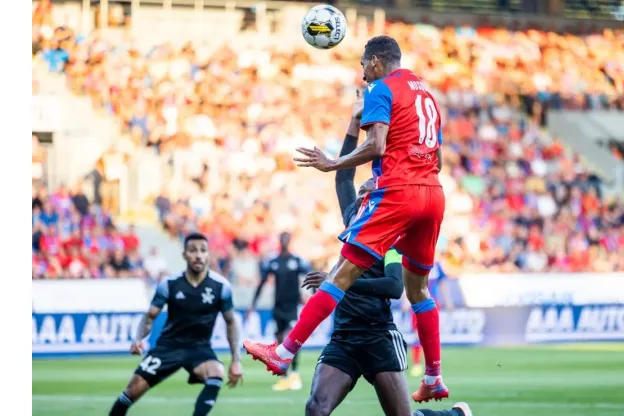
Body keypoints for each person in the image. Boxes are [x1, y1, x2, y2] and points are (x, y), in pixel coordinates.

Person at [243, 34, 449, 403]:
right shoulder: (426, 96)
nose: (362, 72)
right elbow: (438, 159)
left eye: (362, 64)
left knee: (339, 275)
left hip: (398, 193)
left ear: (374, 62)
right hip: (432, 193)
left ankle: (284, 352)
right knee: (420, 290)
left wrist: (333, 162)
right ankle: (433, 377)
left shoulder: (381, 89)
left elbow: (377, 146)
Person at [300, 101, 471, 416]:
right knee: (316, 408)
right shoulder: (354, 217)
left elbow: (394, 287)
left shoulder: (391, 234)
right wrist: (354, 124)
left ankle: (453, 415)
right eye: (364, 183)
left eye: (371, 182)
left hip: (378, 335)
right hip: (343, 337)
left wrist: (338, 283)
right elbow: (342, 179)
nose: (365, 184)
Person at [108, 233, 243, 415]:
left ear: (208, 255)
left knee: (216, 371)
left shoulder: (221, 287)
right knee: (132, 390)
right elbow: (149, 317)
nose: (198, 255)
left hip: (199, 348)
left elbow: (231, 323)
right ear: (184, 255)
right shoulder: (169, 284)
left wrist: (236, 360)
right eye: (193, 250)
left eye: (203, 250)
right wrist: (138, 339)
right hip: (168, 347)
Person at [251, 231, 311, 391]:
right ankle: (284, 376)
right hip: (278, 306)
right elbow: (262, 282)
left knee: (293, 339)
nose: (284, 241)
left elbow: (310, 276)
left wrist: (310, 295)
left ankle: (295, 374)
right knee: (279, 341)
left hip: (292, 306)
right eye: (282, 238)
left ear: (289, 240)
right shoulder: (273, 261)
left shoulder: (297, 260)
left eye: (287, 238)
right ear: (279, 240)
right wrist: (253, 303)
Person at [409, 260, 452, 377]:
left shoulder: (437, 265)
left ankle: (434, 366)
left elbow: (442, 283)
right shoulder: (412, 260)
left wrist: (448, 300)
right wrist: (404, 300)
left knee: (432, 334)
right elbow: (406, 281)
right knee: (417, 334)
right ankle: (417, 364)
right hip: (416, 302)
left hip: (432, 303)